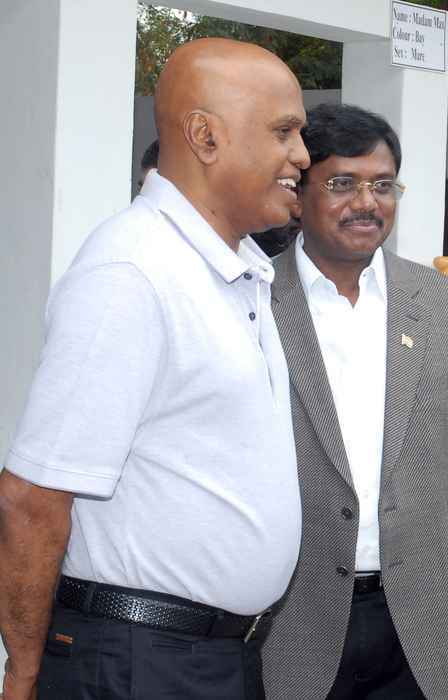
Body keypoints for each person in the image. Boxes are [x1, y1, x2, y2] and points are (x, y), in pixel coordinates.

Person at [0, 38, 308, 700]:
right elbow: (32, 499)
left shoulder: (234, 270)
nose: (302, 156)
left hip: (205, 658)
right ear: (205, 136)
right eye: (284, 132)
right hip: (137, 663)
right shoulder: (132, 272)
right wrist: (24, 674)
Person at [261, 103, 448, 700]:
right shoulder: (253, 301)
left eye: (382, 185)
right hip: (291, 630)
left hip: (426, 635)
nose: (367, 203)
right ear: (299, 194)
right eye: (342, 184)